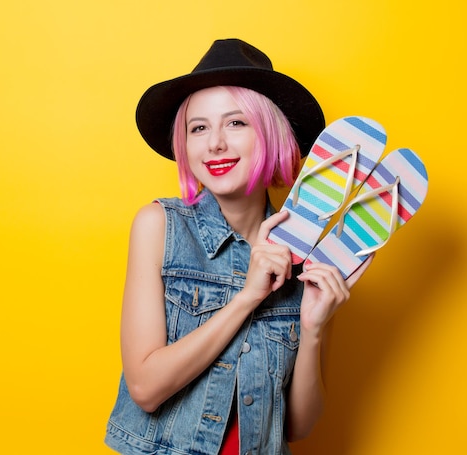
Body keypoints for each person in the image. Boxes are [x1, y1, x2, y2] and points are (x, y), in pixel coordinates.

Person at [105, 38, 372, 455]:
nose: (214, 144)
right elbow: (145, 387)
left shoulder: (310, 255)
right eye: (198, 128)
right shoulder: (160, 226)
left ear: (271, 134)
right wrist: (248, 296)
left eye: (235, 123)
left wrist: (313, 329)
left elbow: (300, 425)